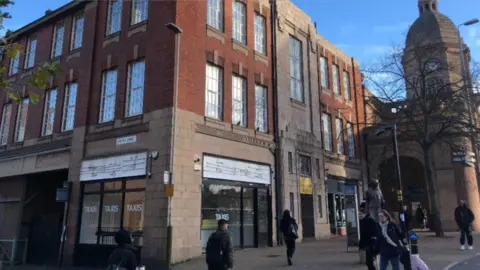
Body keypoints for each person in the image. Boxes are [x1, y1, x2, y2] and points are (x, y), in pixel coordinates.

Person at [359, 202, 378, 270]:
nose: (359, 215)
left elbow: (374, 233)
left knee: (369, 262)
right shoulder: (363, 220)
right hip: (367, 244)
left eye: (361, 213)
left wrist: (373, 243)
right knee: (368, 262)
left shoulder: (370, 220)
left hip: (371, 244)